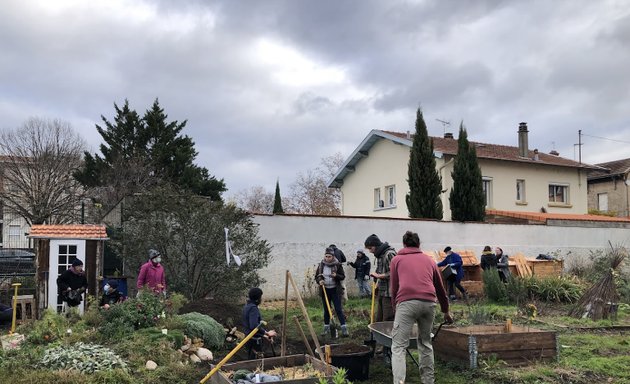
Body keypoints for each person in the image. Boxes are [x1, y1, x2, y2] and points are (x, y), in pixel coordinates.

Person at [390, 231, 452, 384]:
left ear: (404, 244)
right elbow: (440, 288)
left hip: (406, 303)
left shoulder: (396, 260)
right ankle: (428, 381)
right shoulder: (429, 260)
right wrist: (446, 311)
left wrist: (395, 308)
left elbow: (394, 287)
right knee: (425, 343)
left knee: (398, 346)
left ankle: (399, 382)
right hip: (429, 303)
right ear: (419, 244)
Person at [315, 247, 348, 337]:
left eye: (329, 256)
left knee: (338, 309)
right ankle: (326, 328)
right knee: (326, 310)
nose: (327, 258)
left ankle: (344, 329)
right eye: (326, 256)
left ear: (333, 256)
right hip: (325, 290)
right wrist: (320, 280)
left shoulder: (337, 265)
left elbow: (342, 276)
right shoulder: (321, 265)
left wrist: (336, 275)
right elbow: (317, 276)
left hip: (335, 290)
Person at [365, 234, 396, 323]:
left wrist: (379, 276)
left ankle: (389, 336)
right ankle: (379, 336)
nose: (370, 251)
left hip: (390, 294)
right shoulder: (379, 255)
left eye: (370, 248)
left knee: (388, 319)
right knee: (379, 319)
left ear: (376, 245)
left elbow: (395, 273)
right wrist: (377, 284)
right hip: (382, 292)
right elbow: (380, 271)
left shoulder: (389, 254)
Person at [242, 287, 277, 359]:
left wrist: (264, 336)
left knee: (251, 361)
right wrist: (267, 333)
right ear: (257, 299)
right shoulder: (253, 308)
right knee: (257, 362)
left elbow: (250, 327)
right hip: (254, 341)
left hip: (249, 339)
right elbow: (254, 326)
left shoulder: (247, 306)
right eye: (261, 297)